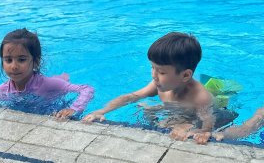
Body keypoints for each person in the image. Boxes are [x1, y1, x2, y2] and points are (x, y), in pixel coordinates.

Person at [82, 32, 216, 141]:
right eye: (152, 68)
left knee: (172, 126)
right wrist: (103, 111)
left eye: (161, 72)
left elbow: (208, 124)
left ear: (186, 75)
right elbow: (132, 96)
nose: (153, 75)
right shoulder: (158, 85)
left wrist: (202, 132)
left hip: (193, 115)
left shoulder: (201, 97)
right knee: (145, 108)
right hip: (173, 111)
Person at [0, 28, 94, 119]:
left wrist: (73, 109)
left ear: (35, 62)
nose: (14, 66)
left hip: (55, 92)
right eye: (8, 60)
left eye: (21, 60)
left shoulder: (49, 84)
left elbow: (87, 89)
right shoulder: (4, 89)